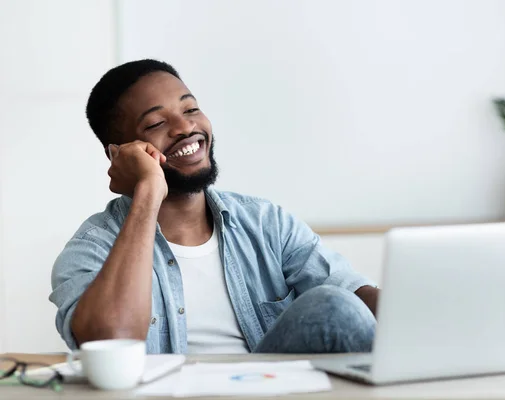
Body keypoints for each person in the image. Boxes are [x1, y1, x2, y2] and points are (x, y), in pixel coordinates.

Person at [49, 59, 378, 354]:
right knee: (332, 306)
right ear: (118, 155)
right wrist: (148, 190)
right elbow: (110, 347)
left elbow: (352, 293)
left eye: (190, 109)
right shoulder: (90, 249)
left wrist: (417, 305)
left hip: (267, 388)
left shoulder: (267, 223)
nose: (185, 128)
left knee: (337, 305)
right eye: (154, 124)